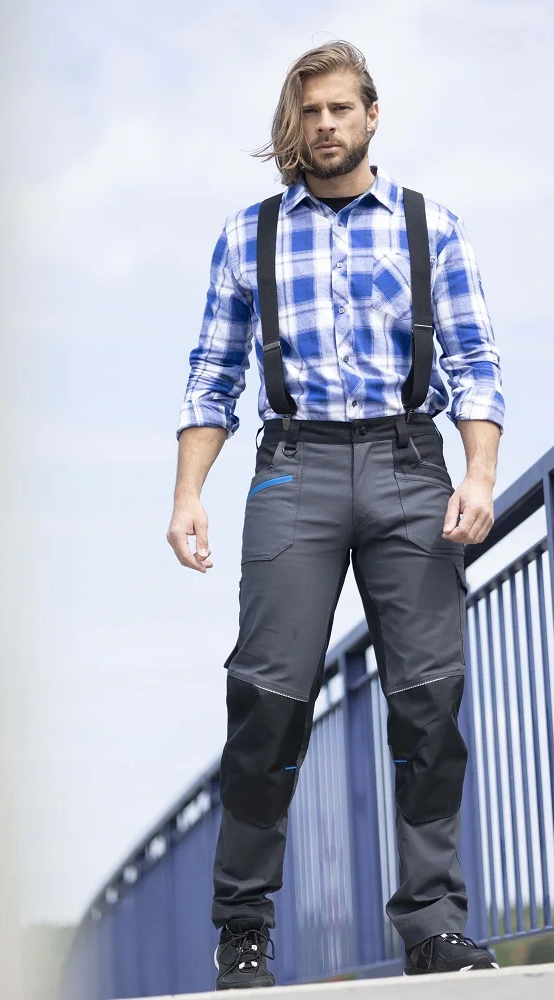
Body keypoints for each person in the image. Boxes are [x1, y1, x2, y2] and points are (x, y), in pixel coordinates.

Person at [167, 39, 504, 991]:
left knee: (428, 699)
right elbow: (213, 372)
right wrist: (188, 493)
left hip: (410, 465)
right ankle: (244, 928)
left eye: (340, 109)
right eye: (309, 111)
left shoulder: (432, 226)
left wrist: (479, 474)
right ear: (295, 122)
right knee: (267, 701)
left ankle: (434, 925)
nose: (325, 125)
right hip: (293, 469)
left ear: (371, 115)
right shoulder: (250, 234)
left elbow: (475, 361)